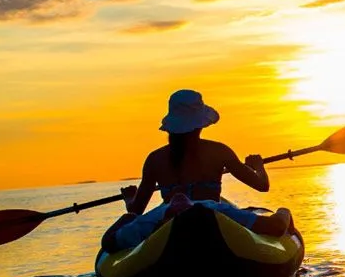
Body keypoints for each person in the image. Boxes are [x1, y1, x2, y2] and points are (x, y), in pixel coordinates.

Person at [101, 89, 296, 251]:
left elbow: (136, 210)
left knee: (109, 242)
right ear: (201, 124)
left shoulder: (155, 159)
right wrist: (258, 167)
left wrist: (129, 200)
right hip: (211, 211)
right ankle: (284, 212)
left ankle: (164, 226)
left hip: (166, 213)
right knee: (276, 227)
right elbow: (262, 185)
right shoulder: (219, 151)